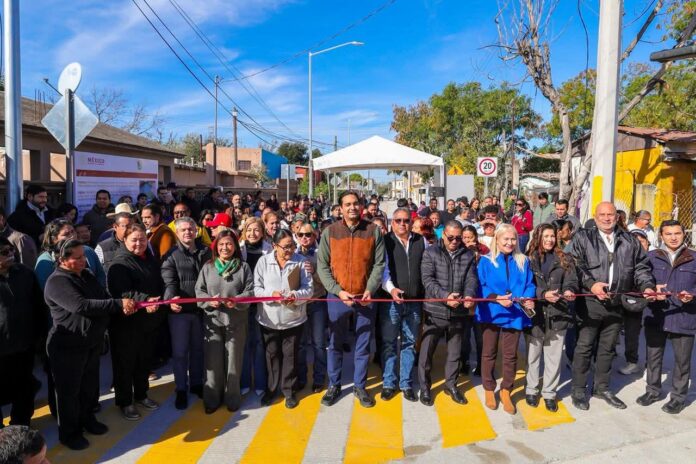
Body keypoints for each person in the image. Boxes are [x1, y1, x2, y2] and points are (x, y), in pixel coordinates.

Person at [44, 238, 136, 449]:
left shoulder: (86, 274)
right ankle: (69, 433)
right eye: (77, 258)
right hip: (67, 346)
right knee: (69, 393)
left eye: (83, 256)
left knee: (88, 387)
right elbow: (81, 306)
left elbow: (103, 297)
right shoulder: (57, 282)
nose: (83, 261)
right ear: (62, 260)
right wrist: (118, 304)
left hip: (91, 342)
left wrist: (125, 304)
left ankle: (87, 420)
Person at [568, 201, 656, 411]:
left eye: (611, 215)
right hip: (590, 302)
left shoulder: (629, 240)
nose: (607, 218)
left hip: (617, 302)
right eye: (603, 214)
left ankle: (602, 388)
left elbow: (641, 267)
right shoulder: (583, 237)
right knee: (584, 347)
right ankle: (578, 390)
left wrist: (647, 286)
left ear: (617, 217)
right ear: (595, 216)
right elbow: (575, 264)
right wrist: (591, 284)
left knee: (607, 349)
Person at [317, 190, 386, 408]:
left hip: (365, 297)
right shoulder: (330, 232)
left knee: (363, 345)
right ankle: (334, 385)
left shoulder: (373, 230)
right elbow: (322, 266)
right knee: (335, 343)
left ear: (361, 206)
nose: (352, 207)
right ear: (340, 208)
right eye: (347, 204)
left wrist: (370, 289)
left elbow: (379, 264)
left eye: (355, 203)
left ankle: (360, 386)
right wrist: (338, 291)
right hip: (338, 297)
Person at [477, 224, 536, 414]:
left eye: (513, 239)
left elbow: (530, 284)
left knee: (510, 355)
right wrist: (496, 298)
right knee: (489, 352)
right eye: (506, 239)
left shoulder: (523, 261)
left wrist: (528, 298)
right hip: (492, 311)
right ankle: (489, 388)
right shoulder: (486, 261)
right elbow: (480, 285)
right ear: (497, 239)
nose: (510, 243)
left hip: (515, 312)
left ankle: (506, 390)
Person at [107, 223, 164, 420]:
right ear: (124, 240)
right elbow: (121, 292)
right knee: (125, 364)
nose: (139, 244)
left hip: (148, 322)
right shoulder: (119, 263)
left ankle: (141, 395)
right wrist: (146, 300)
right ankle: (125, 402)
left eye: (142, 239)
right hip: (126, 324)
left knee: (143, 361)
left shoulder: (149, 259)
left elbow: (158, 283)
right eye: (134, 240)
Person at [639, 220, 696, 414]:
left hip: (684, 315)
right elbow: (641, 278)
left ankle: (678, 397)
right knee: (653, 356)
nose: (673, 237)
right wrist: (650, 288)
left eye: (677, 233)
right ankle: (652, 390)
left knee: (682, 360)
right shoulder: (651, 257)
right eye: (669, 234)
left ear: (683, 234)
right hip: (657, 314)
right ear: (661, 236)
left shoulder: (693, 257)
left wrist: (692, 295)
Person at [418, 221, 477, 406]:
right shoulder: (431, 252)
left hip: (458, 312)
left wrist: (469, 295)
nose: (454, 241)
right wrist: (445, 297)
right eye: (450, 238)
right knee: (427, 352)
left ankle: (451, 385)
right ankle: (425, 387)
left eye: (458, 238)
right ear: (443, 235)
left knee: (455, 353)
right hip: (435, 311)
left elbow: (471, 279)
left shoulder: (468, 254)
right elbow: (427, 280)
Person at [195, 229, 254, 413]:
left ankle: (232, 399)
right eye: (221, 244)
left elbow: (251, 291)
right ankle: (212, 400)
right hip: (213, 322)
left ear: (235, 246)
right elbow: (199, 291)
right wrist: (209, 301)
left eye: (229, 243)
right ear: (216, 247)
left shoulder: (243, 267)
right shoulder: (208, 267)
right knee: (213, 363)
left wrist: (237, 300)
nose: (225, 247)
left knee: (234, 363)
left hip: (236, 321)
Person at [254, 229, 313, 409]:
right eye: (286, 247)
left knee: (290, 356)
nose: (290, 250)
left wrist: (295, 296)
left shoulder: (301, 262)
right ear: (274, 246)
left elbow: (308, 289)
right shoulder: (263, 262)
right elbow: (256, 289)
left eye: (292, 246)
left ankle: (289, 391)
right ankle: (272, 389)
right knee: (272, 355)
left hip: (293, 318)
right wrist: (272, 294)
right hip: (269, 319)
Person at [525, 224, 578, 412]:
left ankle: (549, 393)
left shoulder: (566, 258)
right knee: (533, 356)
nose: (549, 240)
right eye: (545, 236)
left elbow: (572, 281)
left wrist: (569, 290)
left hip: (558, 313)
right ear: (538, 237)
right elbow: (526, 285)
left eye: (552, 236)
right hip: (536, 315)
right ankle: (531, 389)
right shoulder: (528, 259)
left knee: (554, 358)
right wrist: (542, 294)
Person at [161, 217, 211, 410]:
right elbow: (169, 281)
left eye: (191, 229)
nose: (188, 232)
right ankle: (181, 388)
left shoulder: (206, 251)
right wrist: (171, 298)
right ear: (177, 233)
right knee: (180, 353)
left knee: (198, 350)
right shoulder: (171, 255)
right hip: (180, 312)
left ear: (196, 231)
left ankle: (196, 384)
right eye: (183, 230)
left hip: (201, 311)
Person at [380, 208, 426, 402]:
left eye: (406, 220)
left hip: (414, 302)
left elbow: (426, 269)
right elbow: (382, 271)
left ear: (411, 222)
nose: (402, 224)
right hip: (391, 302)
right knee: (389, 343)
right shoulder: (385, 241)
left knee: (409, 343)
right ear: (392, 223)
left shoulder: (421, 241)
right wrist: (391, 289)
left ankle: (406, 383)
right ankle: (388, 383)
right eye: (398, 220)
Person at [0, 239, 44, 429]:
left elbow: (38, 306)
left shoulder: (25, 274)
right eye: (4, 252)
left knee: (23, 387)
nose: (10, 254)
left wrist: (39, 337)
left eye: (10, 249)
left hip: (24, 346)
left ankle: (21, 424)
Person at [238, 218, 272, 398]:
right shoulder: (238, 248)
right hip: (243, 302)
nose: (252, 233)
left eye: (256, 229)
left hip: (262, 303)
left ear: (262, 232)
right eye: (249, 229)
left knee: (259, 343)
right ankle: (244, 382)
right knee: (243, 343)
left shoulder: (269, 249)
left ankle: (260, 382)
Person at [296, 222, 328, 393]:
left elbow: (327, 282)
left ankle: (319, 378)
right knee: (300, 345)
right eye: (300, 235)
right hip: (299, 305)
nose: (304, 238)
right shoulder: (293, 254)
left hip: (317, 302)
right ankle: (301, 378)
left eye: (308, 234)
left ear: (314, 236)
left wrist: (313, 272)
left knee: (319, 344)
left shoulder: (321, 253)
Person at [35, 219, 106, 290]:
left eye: (73, 231)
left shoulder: (88, 250)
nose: (72, 236)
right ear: (54, 239)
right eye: (66, 234)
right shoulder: (46, 261)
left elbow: (100, 275)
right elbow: (47, 289)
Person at [460, 225, 486, 375]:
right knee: (464, 336)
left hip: (480, 301)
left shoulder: (484, 252)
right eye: (464, 237)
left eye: (470, 237)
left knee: (480, 336)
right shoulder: (459, 251)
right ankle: (464, 362)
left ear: (475, 237)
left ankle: (482, 364)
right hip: (465, 300)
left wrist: (477, 256)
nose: (467, 240)